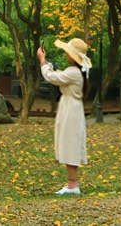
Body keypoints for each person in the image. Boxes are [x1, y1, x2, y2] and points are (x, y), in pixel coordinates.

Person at [38, 38, 92, 195]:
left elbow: (52, 77)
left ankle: (73, 184)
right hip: (70, 109)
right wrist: (45, 62)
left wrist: (42, 61)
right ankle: (72, 183)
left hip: (71, 110)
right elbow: (57, 75)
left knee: (71, 143)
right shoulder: (75, 71)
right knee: (70, 142)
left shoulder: (74, 73)